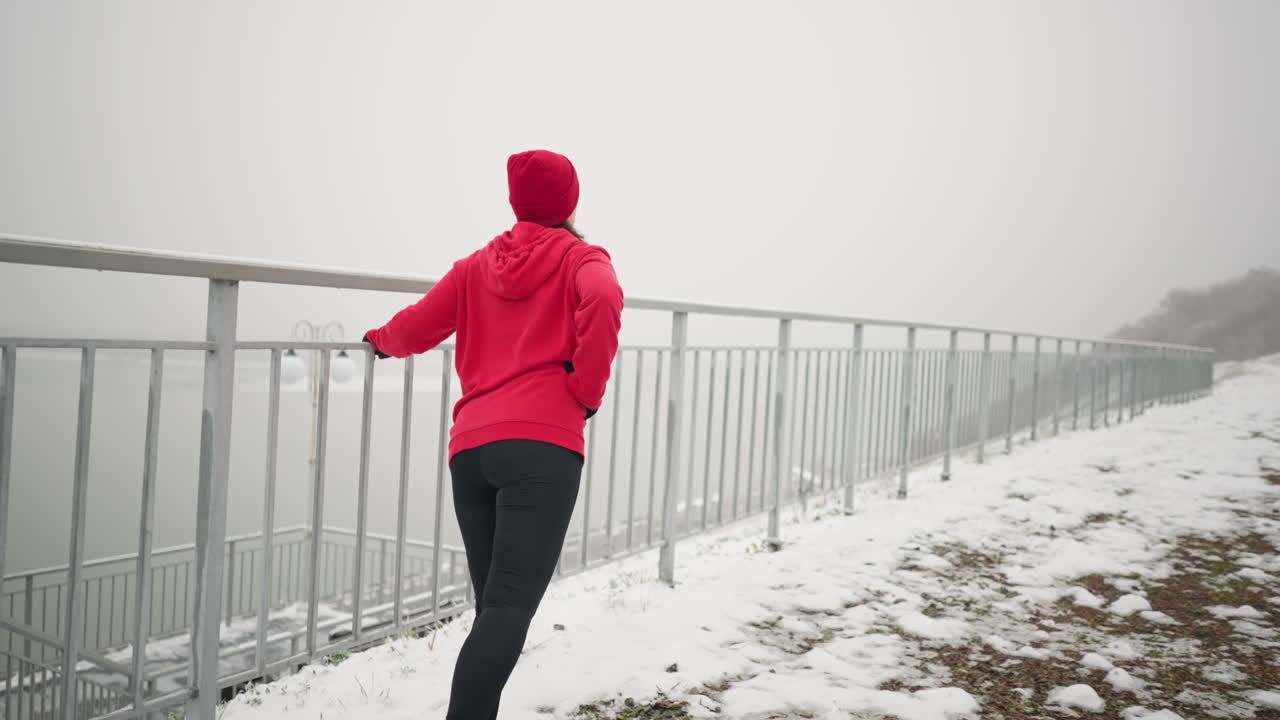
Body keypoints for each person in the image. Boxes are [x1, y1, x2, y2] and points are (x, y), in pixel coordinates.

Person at [363, 149, 623, 719]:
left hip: (473, 453)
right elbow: (603, 298)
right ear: (570, 201)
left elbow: (416, 325)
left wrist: (378, 340)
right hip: (541, 450)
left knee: (495, 611)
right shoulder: (582, 259)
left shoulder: (475, 267)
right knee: (507, 611)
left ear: (516, 201)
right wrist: (586, 392)